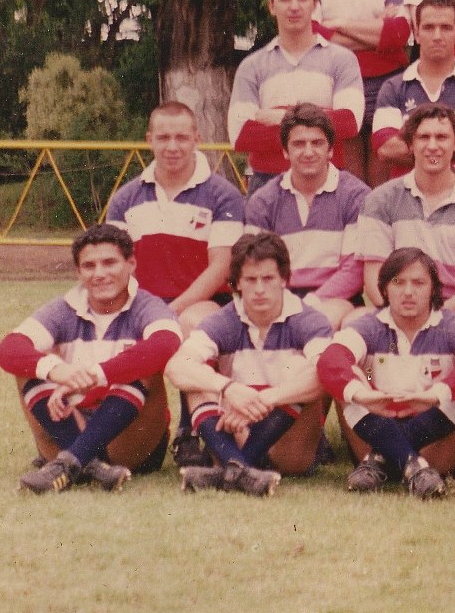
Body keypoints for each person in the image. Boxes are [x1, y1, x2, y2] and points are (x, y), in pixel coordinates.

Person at [0, 224, 182, 494]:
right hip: (73, 423)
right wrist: (59, 372)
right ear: (78, 272)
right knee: (29, 367)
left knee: (146, 369)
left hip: (130, 440)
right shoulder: (64, 308)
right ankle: (89, 464)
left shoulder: (147, 305)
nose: (100, 274)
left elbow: (165, 344)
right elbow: (7, 349)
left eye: (109, 263)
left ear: (131, 264)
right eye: (89, 266)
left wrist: (93, 376)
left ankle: (71, 462)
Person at [318, 246, 455, 498]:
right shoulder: (370, 326)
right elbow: (330, 359)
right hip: (376, 424)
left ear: (434, 288)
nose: (408, 292)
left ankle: (381, 459)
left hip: (436, 439)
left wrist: (437, 393)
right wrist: (362, 393)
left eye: (419, 283)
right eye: (398, 282)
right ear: (384, 288)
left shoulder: (452, 325)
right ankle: (414, 466)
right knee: (350, 378)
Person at [165, 232, 333, 495]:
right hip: (237, 429)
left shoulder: (308, 320)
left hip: (289, 445)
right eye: (250, 280)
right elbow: (176, 367)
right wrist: (229, 388)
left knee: (305, 369)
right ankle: (238, 469)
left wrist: (265, 400)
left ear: (284, 280)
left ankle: (229, 469)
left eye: (268, 279)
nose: (259, 289)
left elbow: (327, 374)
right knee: (198, 379)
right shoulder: (225, 320)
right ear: (237, 283)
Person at [352, 103, 455, 330]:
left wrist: (440, 314)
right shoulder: (380, 199)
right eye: (423, 137)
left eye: (442, 137)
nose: (432, 146)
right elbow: (374, 275)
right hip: (398, 305)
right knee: (355, 321)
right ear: (410, 145)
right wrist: (398, 312)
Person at [102, 102, 246, 331]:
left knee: (192, 324)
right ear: (149, 140)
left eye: (181, 138)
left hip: (203, 304)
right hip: (141, 304)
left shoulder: (224, 196)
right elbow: (111, 263)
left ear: (196, 139)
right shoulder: (124, 199)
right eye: (163, 138)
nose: (172, 146)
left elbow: (222, 267)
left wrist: (169, 312)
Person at [229, 0, 364, 176]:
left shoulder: (342, 60)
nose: (294, 6)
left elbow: (348, 123)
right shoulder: (251, 66)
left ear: (315, 5)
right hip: (268, 182)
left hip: (327, 180)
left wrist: (278, 117)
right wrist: (320, 122)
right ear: (272, 6)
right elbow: (241, 136)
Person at [311, 0, 413, 176]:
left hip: (386, 84)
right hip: (337, 83)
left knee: (384, 173)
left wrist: (338, 23)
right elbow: (313, 34)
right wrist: (375, 30)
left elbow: (398, 35)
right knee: (349, 176)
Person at [242, 104, 368, 327]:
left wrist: (308, 305)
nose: (308, 152)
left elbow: (354, 270)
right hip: (277, 298)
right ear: (285, 150)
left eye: (317, 143)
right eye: (299, 144)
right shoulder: (263, 201)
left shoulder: (356, 196)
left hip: (336, 299)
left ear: (330, 149)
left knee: (317, 324)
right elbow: (256, 265)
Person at [370, 0, 455, 186]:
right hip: (407, 193)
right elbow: (386, 147)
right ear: (416, 33)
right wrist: (451, 139)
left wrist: (417, 138)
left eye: (446, 28)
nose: (437, 36)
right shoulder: (393, 87)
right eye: (429, 28)